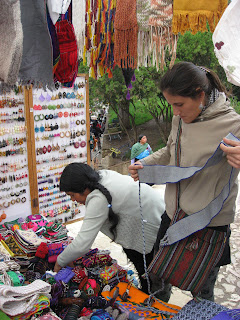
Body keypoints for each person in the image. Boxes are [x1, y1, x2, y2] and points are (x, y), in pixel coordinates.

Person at [129, 61, 240, 302]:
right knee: (157, 279)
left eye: (179, 104)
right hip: (173, 214)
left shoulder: (234, 125)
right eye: (171, 105)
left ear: (200, 95)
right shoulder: (180, 119)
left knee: (201, 293)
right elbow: (170, 151)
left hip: (208, 223)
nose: (175, 112)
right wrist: (145, 164)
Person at [54, 162, 165, 294]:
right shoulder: (102, 176)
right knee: (148, 270)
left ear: (83, 188)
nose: (73, 199)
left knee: (152, 272)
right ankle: (151, 295)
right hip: (154, 213)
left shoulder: (98, 198)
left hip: (151, 224)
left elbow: (82, 243)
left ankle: (156, 302)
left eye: (72, 195)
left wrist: (59, 262)